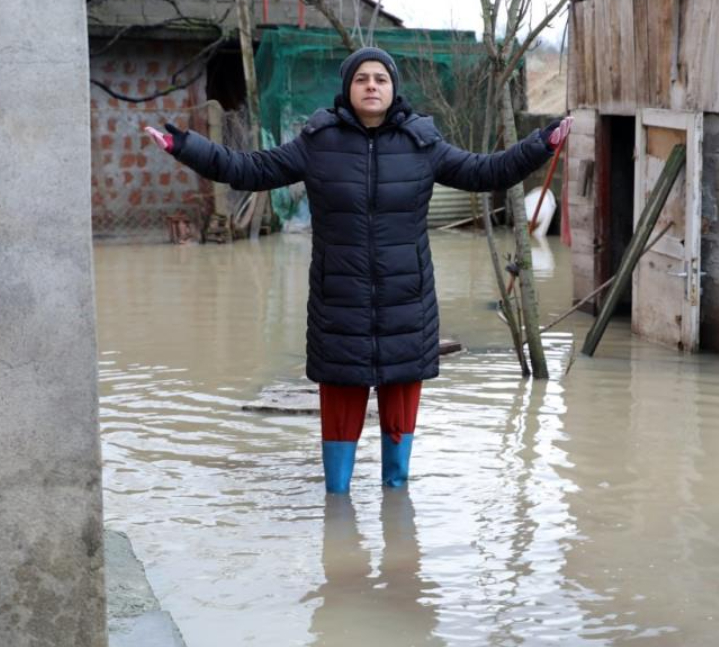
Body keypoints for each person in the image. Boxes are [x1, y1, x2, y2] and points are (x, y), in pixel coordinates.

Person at [145, 47, 572, 494]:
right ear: (348, 89)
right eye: (362, 78)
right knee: (338, 477)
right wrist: (185, 146)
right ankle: (338, 524)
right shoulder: (318, 142)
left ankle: (398, 532)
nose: (372, 85)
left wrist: (541, 144)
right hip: (339, 310)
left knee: (397, 471)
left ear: (393, 89)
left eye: (380, 79)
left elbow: (488, 172)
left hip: (406, 308)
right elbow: (249, 169)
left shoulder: (421, 143)